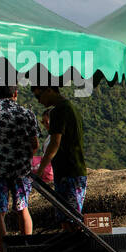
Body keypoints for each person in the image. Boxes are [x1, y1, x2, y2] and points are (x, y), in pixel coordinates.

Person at [0, 81, 39, 252]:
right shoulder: (26, 113)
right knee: (23, 209)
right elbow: (35, 144)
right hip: (20, 170)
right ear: (15, 93)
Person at [31, 82, 87, 226]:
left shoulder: (58, 111)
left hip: (67, 171)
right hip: (77, 169)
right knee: (73, 216)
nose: (38, 100)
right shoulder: (72, 108)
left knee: (69, 219)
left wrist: (40, 170)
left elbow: (54, 143)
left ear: (49, 90)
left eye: (39, 95)